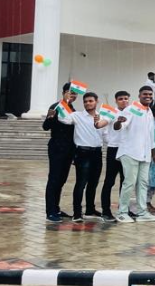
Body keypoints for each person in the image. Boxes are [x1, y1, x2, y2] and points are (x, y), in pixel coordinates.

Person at [112, 85, 155, 223]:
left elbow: (150, 136)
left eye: (150, 95)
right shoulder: (131, 109)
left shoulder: (149, 111)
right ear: (139, 95)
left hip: (145, 154)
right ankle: (122, 212)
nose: (148, 97)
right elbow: (120, 126)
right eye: (145, 94)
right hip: (130, 152)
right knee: (129, 183)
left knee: (143, 183)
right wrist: (118, 123)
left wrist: (154, 153)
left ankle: (141, 212)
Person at [69, 91, 109, 222]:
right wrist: (65, 101)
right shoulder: (77, 116)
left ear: (96, 101)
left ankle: (90, 209)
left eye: (90, 101)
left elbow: (106, 136)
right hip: (82, 152)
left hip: (97, 152)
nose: (87, 103)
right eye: (85, 101)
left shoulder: (103, 117)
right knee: (81, 183)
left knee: (94, 182)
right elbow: (63, 118)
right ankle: (76, 212)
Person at [42, 83, 78, 222]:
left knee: (62, 180)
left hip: (69, 149)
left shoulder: (73, 109)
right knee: (54, 179)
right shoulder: (56, 107)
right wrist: (50, 117)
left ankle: (56, 208)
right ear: (63, 93)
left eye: (75, 94)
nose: (72, 95)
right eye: (70, 92)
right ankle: (50, 211)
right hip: (57, 148)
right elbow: (45, 127)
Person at [99, 90, 131, 221]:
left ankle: (124, 209)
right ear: (116, 100)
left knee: (126, 181)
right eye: (121, 99)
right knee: (109, 181)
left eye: (126, 98)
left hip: (127, 149)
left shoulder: (133, 113)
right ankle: (105, 211)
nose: (124, 101)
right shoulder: (111, 113)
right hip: (114, 149)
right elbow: (105, 126)